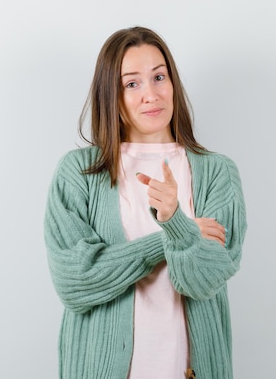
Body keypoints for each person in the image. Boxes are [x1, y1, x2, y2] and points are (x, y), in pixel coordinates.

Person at [44, 26, 247, 379]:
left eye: (159, 77)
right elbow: (75, 281)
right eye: (132, 83)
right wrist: (173, 236)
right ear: (112, 96)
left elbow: (205, 279)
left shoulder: (217, 172)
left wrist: (174, 221)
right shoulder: (78, 173)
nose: (150, 94)